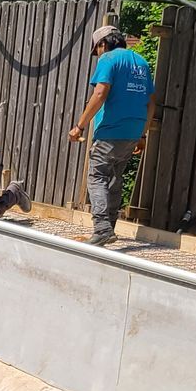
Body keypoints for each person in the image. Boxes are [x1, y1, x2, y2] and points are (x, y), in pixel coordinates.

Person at [67, 24, 154, 245]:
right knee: (115, 179)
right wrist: (142, 135)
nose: (97, 54)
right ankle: (109, 228)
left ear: (103, 44)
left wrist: (79, 126)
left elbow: (100, 92)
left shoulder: (108, 59)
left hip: (110, 131)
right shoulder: (142, 63)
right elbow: (151, 103)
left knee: (97, 177)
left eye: (96, 49)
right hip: (133, 132)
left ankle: (102, 228)